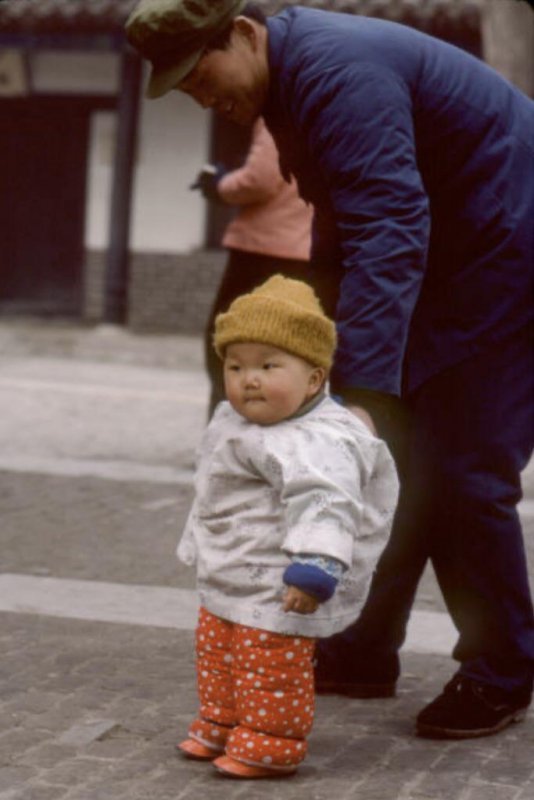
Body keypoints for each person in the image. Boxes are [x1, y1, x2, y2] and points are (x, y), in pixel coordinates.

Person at [126, 0, 534, 739]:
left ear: (244, 33)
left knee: (465, 473)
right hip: (452, 266)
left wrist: (361, 392)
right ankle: (362, 650)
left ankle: (502, 671)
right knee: (390, 465)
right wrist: (316, 340)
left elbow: (387, 224)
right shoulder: (287, 85)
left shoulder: (336, 70)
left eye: (203, 74)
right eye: (185, 90)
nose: (205, 97)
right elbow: (337, 222)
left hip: (510, 257)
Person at [175, 275, 398, 778]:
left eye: (268, 366)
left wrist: (316, 567)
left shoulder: (317, 441)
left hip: (282, 579)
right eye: (235, 366)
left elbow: (329, 502)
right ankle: (224, 717)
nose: (248, 379)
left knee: (269, 661)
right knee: (218, 648)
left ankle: (272, 739)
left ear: (314, 379)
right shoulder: (235, 420)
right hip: (231, 566)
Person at [191, 117, 314, 416]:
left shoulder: (280, 112)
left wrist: (220, 184)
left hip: (261, 248)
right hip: (306, 249)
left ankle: (229, 439)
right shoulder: (324, 107)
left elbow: (259, 178)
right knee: (284, 355)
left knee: (228, 347)